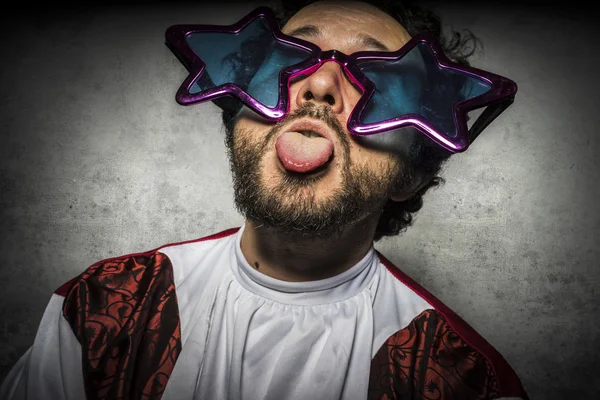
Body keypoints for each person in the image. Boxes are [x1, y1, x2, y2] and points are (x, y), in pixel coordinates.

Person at [0, 1, 529, 399]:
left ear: (408, 176)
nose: (319, 84)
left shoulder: (466, 378)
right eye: (288, 61)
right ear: (239, 124)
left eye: (380, 81)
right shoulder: (100, 307)